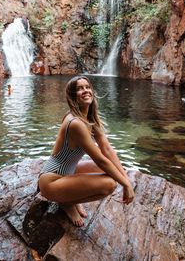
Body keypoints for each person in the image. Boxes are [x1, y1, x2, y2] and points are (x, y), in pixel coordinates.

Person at [38, 75, 135, 227]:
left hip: (68, 172)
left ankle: (71, 196)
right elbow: (100, 159)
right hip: (51, 182)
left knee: (114, 169)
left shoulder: (88, 118)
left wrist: (126, 179)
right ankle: (68, 203)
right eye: (79, 89)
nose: (85, 91)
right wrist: (126, 185)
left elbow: (108, 150)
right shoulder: (75, 123)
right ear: (72, 96)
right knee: (110, 184)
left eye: (87, 87)